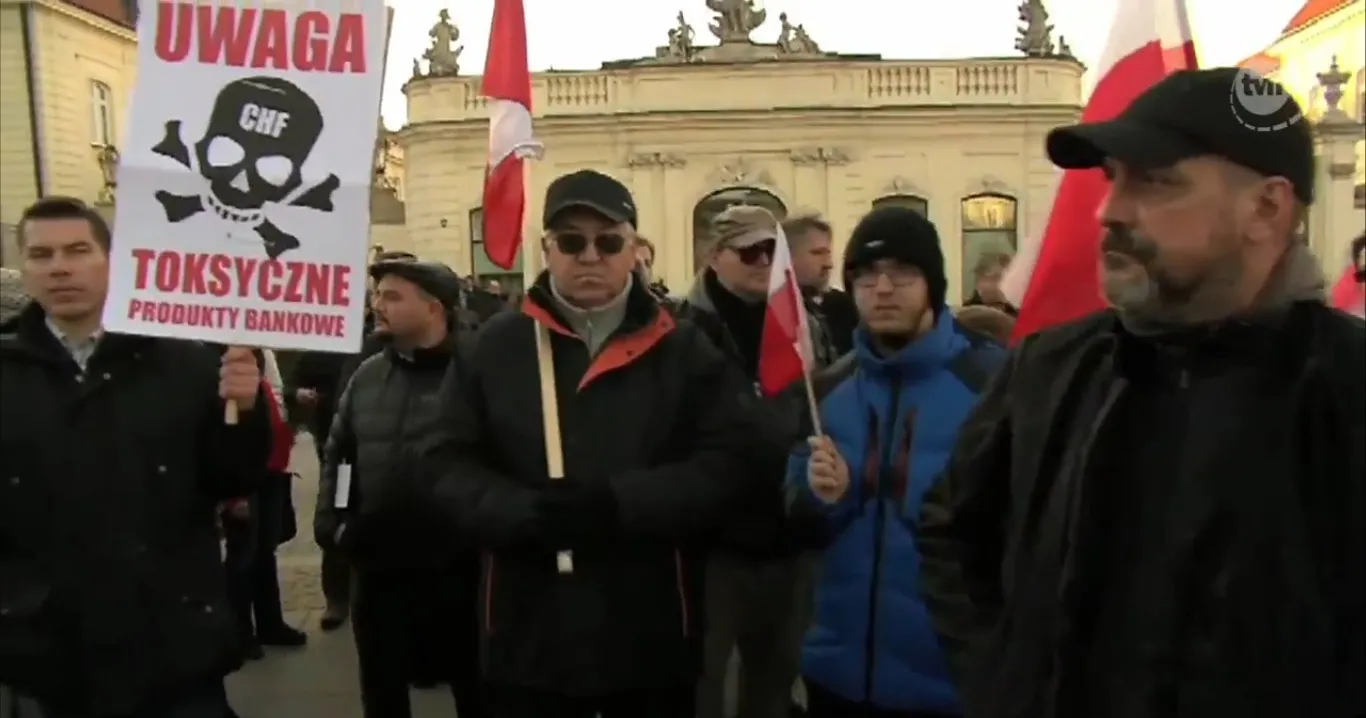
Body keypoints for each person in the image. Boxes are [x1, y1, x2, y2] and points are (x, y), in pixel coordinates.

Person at [918, 68, 1365, 718]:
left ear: (1267, 208)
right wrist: (1004, 683)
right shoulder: (1050, 368)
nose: (1110, 210)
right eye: (1113, 179)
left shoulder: (1345, 390)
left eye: (1155, 182)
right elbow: (951, 532)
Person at [419, 169, 757, 717]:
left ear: (635, 250)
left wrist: (619, 504)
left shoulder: (685, 348)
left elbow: (727, 464)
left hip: (649, 634)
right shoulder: (494, 347)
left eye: (609, 241)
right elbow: (442, 461)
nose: (590, 256)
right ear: (547, 250)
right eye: (572, 241)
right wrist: (520, 512)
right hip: (527, 633)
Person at [0, 197, 270, 717]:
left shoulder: (185, 362)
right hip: (45, 658)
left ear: (112, 260)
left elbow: (232, 477)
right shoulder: (8, 370)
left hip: (171, 649)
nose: (60, 267)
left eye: (77, 250)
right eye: (41, 255)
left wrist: (245, 408)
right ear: (25, 268)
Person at [785, 206, 1003, 718]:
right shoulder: (828, 390)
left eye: (902, 273)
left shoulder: (992, 384)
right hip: (837, 675)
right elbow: (797, 517)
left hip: (952, 683)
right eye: (865, 275)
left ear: (933, 283)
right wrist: (823, 497)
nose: (882, 289)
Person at [678, 205, 835, 718]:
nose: (765, 261)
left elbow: (821, 405)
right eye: (751, 252)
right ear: (714, 256)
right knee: (701, 681)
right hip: (713, 545)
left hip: (788, 537)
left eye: (773, 250)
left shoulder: (803, 323)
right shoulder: (680, 331)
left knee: (774, 680)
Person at [313, 259, 483, 718]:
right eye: (377, 295)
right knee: (382, 690)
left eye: (392, 297)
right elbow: (342, 456)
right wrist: (339, 521)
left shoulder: (477, 374)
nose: (378, 306)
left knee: (477, 688)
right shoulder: (367, 375)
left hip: (460, 570)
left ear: (434, 308)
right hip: (379, 567)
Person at [221, 349, 307, 659]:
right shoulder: (226, 356)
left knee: (265, 550)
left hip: (272, 466)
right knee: (243, 553)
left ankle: (270, 623)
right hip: (244, 472)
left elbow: (277, 398)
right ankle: (239, 631)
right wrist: (234, 493)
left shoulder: (264, 353)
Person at [287, 346, 356, 631]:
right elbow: (292, 385)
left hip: (383, 454)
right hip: (341, 456)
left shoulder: (381, 348)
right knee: (338, 514)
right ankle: (337, 598)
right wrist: (299, 394)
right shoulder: (322, 353)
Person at [785, 214, 859, 355]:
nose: (828, 264)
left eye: (828, 254)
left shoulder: (845, 307)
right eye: (817, 253)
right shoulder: (769, 313)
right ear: (787, 256)